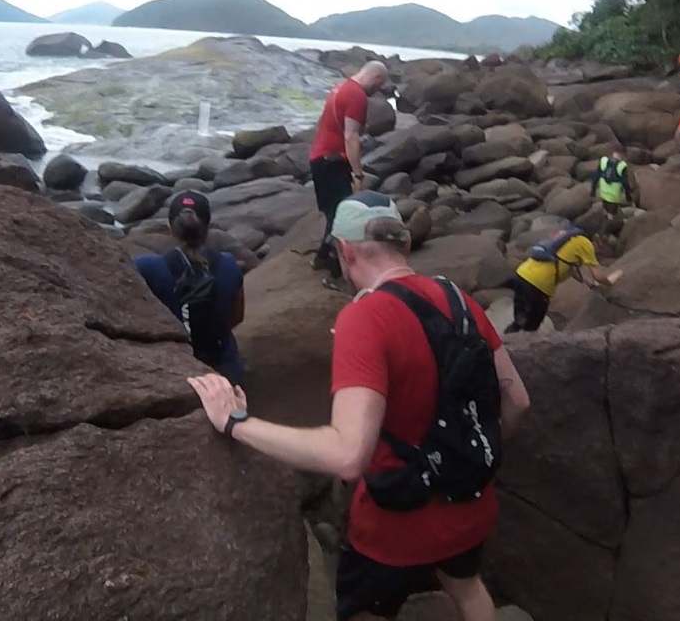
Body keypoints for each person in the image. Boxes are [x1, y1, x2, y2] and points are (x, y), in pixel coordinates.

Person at [186, 191, 531, 621]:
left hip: (394, 526)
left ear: (345, 250)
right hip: (471, 506)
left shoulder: (365, 317)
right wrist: (473, 463)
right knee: (467, 588)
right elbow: (517, 400)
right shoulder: (457, 298)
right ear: (403, 243)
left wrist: (235, 421)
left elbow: (348, 456)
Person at [135, 191, 246, 385]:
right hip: (225, 370)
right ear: (207, 226)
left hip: (178, 368)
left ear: (171, 229)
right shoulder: (229, 264)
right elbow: (237, 317)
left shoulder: (148, 268)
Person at [310, 60, 391, 289]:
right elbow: (351, 136)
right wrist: (358, 174)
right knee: (343, 216)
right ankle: (337, 274)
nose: (377, 90)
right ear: (376, 78)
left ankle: (321, 258)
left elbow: (323, 124)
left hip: (320, 157)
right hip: (332, 160)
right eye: (379, 85)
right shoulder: (357, 95)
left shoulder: (340, 88)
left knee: (333, 212)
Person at [505, 224, 623, 334]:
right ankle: (520, 350)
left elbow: (568, 266)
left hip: (522, 274)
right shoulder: (585, 244)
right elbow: (598, 275)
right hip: (537, 285)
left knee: (519, 320)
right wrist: (610, 281)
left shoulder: (567, 238)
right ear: (595, 239)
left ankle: (504, 344)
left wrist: (587, 282)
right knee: (532, 324)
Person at [589, 149, 636, 252]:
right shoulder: (621, 166)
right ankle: (601, 235)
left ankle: (602, 235)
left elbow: (596, 175)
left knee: (606, 212)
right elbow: (625, 183)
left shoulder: (604, 161)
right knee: (611, 216)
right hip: (613, 195)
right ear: (621, 156)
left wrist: (593, 189)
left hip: (603, 191)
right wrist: (628, 195)